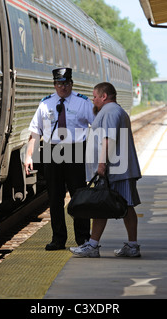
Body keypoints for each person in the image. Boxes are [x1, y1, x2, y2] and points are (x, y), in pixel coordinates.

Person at [24, 68, 95, 250]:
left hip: (75, 151)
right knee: (54, 197)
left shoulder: (83, 103)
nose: (63, 87)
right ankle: (58, 239)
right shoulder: (45, 104)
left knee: (79, 196)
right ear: (54, 85)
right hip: (51, 151)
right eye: (59, 84)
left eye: (66, 83)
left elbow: (97, 126)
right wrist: (28, 155)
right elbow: (35, 132)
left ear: (71, 83)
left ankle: (83, 238)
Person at [70, 82, 142, 258]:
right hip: (118, 170)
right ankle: (96, 245)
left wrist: (102, 164)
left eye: (95, 97)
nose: (93, 100)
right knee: (103, 205)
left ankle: (126, 246)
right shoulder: (115, 111)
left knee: (125, 206)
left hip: (117, 171)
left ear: (104, 96)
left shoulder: (110, 111)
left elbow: (108, 139)